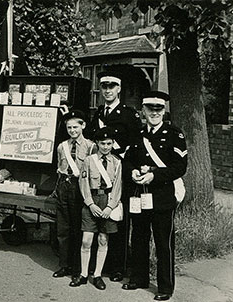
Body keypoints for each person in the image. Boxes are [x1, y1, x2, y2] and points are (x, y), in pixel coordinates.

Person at [122, 91, 187, 301]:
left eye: (158, 109)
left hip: (161, 197)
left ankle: (165, 287)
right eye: (150, 109)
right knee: (139, 239)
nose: (154, 113)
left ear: (164, 111)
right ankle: (139, 278)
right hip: (139, 196)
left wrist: (154, 175)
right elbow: (128, 159)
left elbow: (179, 168)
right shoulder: (138, 134)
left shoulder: (174, 134)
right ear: (143, 110)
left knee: (163, 243)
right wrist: (131, 171)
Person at [88, 71, 141, 282]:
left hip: (119, 173)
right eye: (104, 87)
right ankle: (101, 264)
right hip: (99, 174)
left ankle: (118, 266)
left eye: (112, 87)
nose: (108, 91)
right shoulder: (99, 112)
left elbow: (136, 144)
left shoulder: (128, 114)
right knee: (99, 218)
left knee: (118, 219)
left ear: (119, 89)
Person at [70, 127, 122, 290]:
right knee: (86, 240)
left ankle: (97, 274)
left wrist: (110, 207)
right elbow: (83, 183)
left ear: (113, 143)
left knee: (103, 239)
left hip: (107, 201)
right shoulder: (89, 160)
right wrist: (90, 203)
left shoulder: (117, 162)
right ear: (97, 143)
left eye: (109, 143)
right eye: (102, 143)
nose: (105, 147)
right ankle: (84, 274)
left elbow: (117, 187)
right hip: (92, 201)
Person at [52, 110, 96, 279]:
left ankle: (78, 268)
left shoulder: (91, 147)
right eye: (69, 127)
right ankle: (64, 265)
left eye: (75, 127)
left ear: (83, 126)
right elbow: (59, 169)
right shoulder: (62, 146)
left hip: (80, 188)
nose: (72, 130)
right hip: (64, 186)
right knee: (63, 228)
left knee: (79, 229)